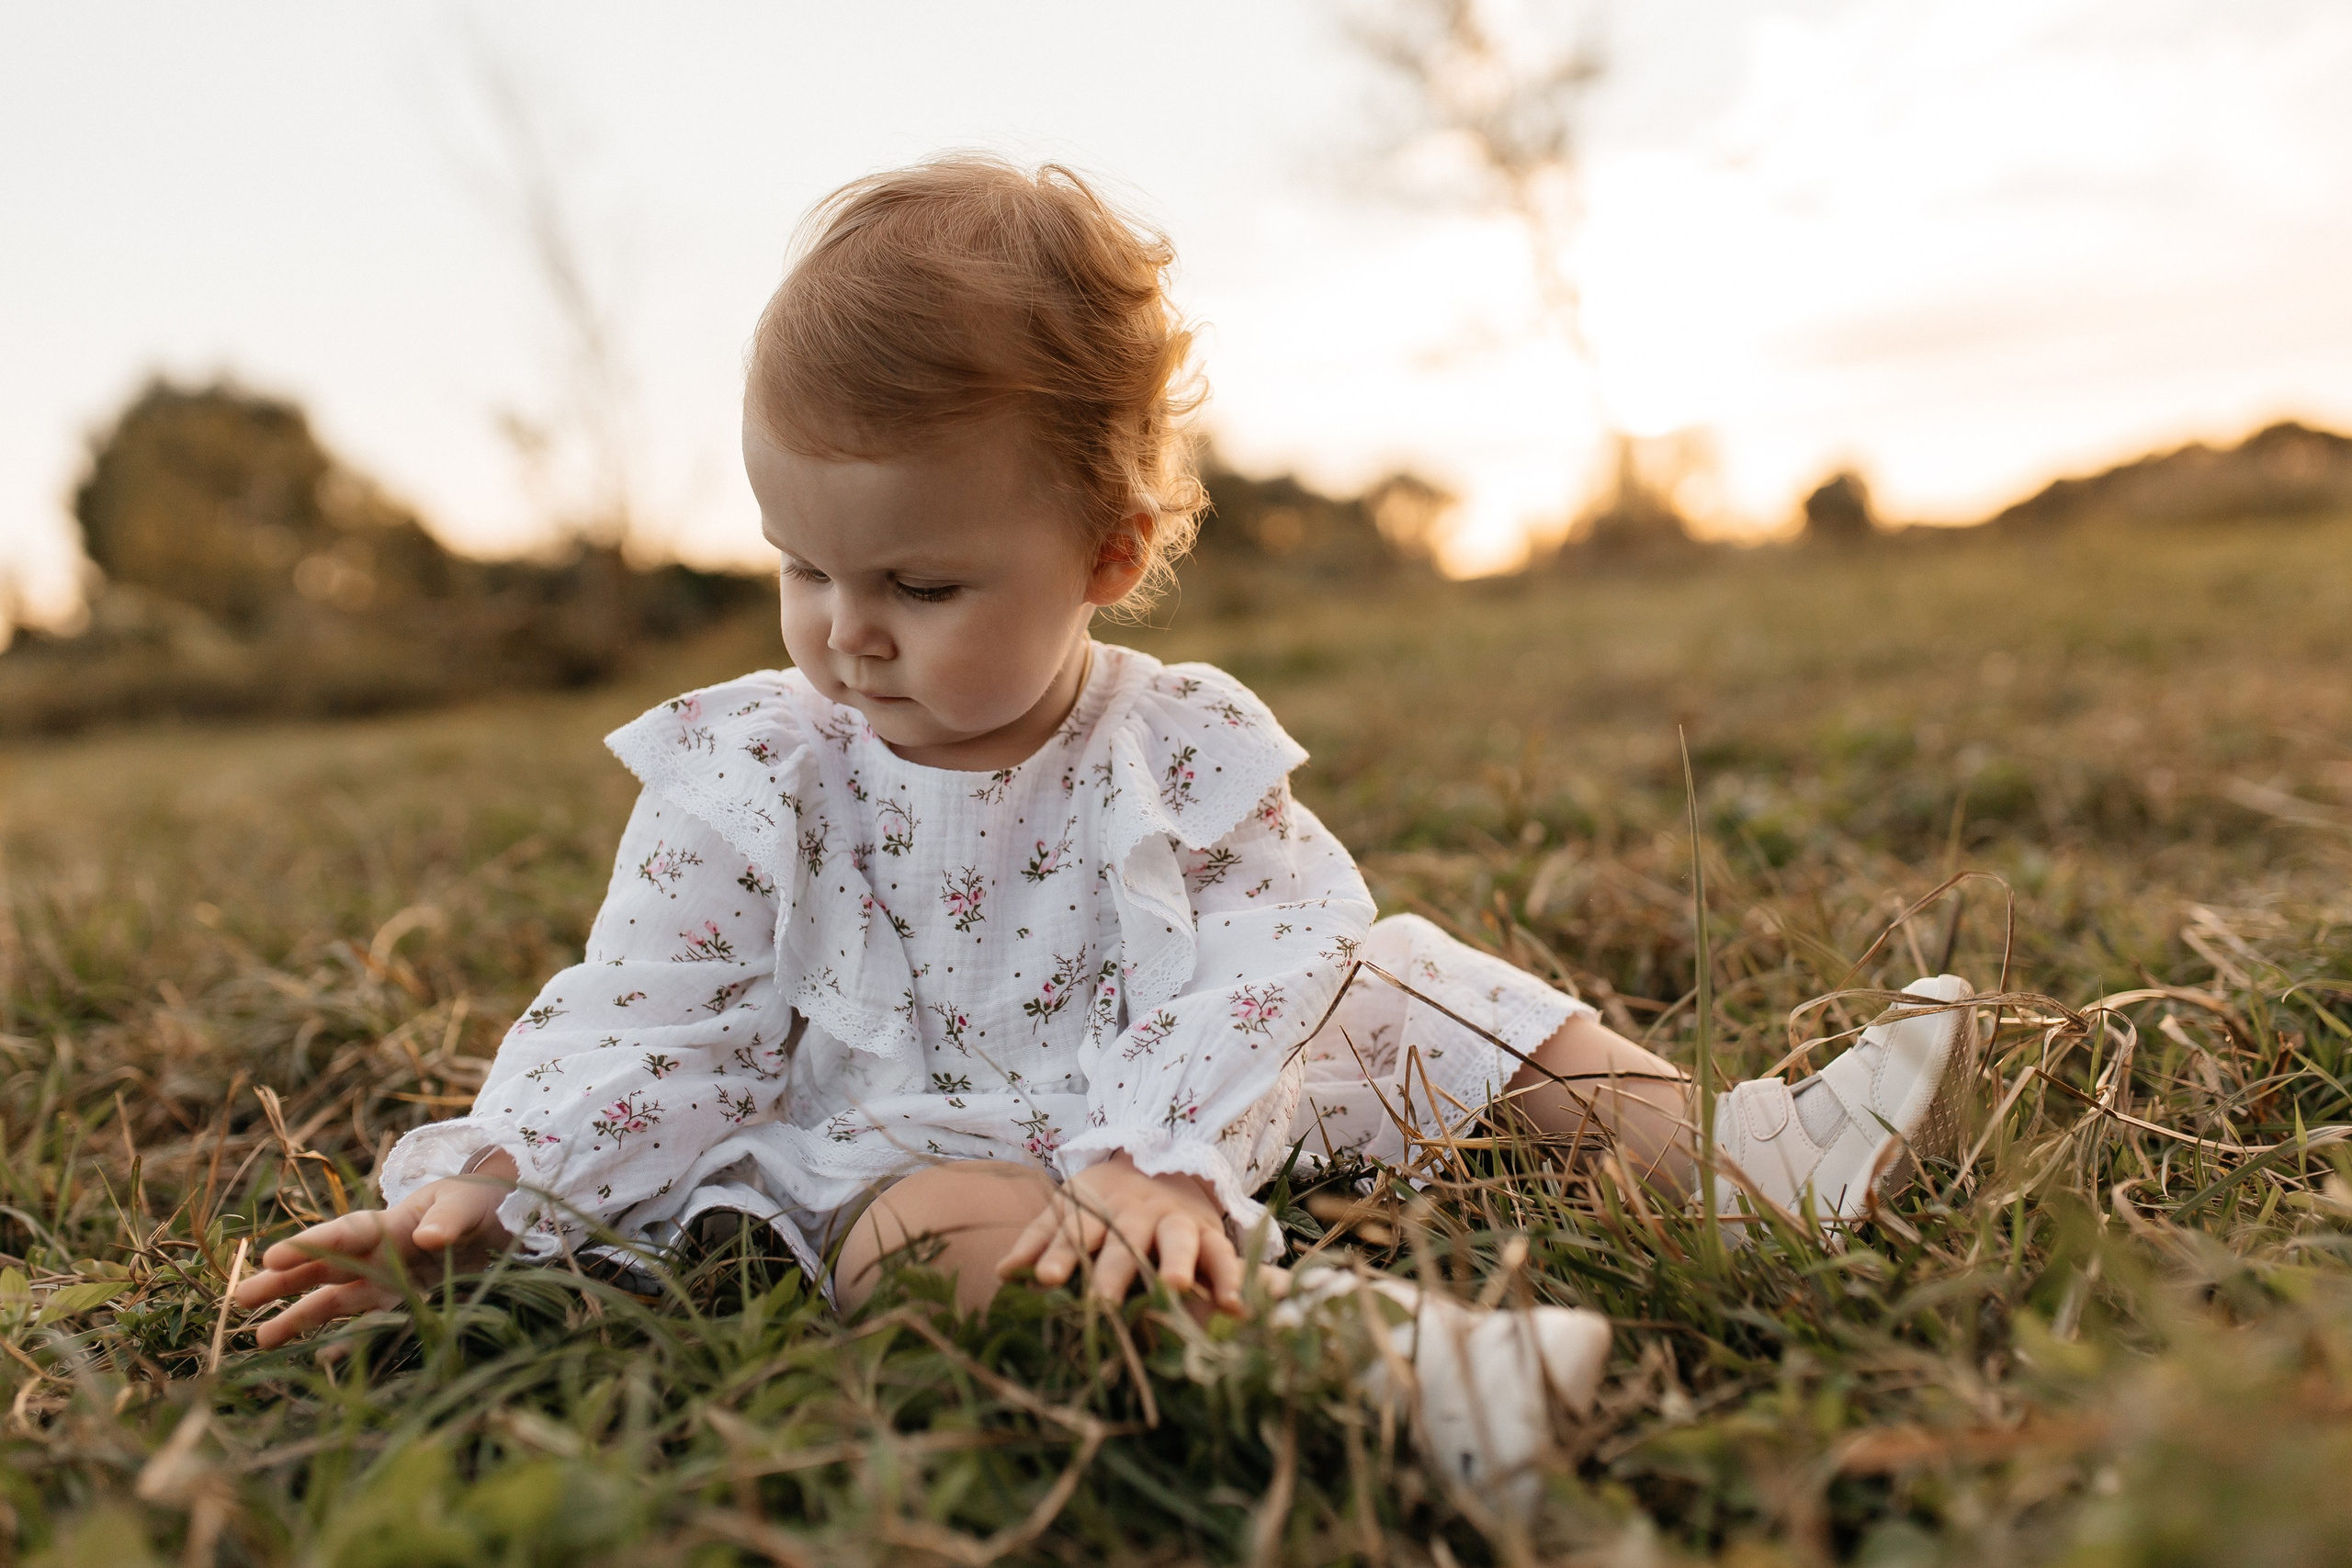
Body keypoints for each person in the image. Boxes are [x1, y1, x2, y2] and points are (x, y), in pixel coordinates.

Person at [232, 157, 1973, 1486]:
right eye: (801, 566)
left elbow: (1281, 949)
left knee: (1410, 984)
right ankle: (1366, 1366)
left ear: (1108, 556)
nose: (848, 630)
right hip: (902, 1128)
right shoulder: (749, 774)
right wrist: (498, 1187)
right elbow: (652, 1011)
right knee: (932, 1237)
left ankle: (1739, 1164)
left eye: (918, 580)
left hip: (1174, 1081)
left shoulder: (1184, 746)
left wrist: (1162, 1146)